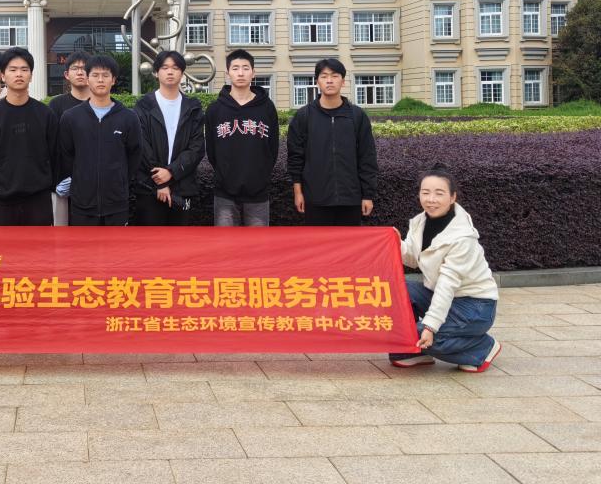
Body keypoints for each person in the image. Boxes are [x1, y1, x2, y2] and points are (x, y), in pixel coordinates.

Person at [389, 166, 502, 372]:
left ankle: (481, 348)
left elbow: (447, 285)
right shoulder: (420, 221)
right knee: (394, 290)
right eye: (425, 192)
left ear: (452, 197)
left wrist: (430, 327)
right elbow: (414, 259)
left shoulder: (462, 238)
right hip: (440, 295)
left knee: (413, 335)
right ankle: (415, 351)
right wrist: (397, 244)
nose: (431, 199)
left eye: (439, 193)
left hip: (475, 306)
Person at [287, 58, 377, 226]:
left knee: (350, 242)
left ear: (343, 81)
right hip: (315, 198)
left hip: (350, 199)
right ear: (317, 81)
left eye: (335, 76)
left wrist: (367, 195)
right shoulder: (304, 116)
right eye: (324, 76)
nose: (329, 80)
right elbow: (295, 158)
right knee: (318, 242)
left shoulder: (357, 116)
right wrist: (298, 192)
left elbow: (367, 157)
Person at [0, 47, 58, 225]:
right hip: (0, 202)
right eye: (13, 70)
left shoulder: (46, 115)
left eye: (24, 69)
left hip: (38, 201)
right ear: (3, 76)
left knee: (39, 244)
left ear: (31, 75)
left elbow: (55, 156)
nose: (19, 74)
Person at [58, 54, 141, 226]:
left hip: (117, 204)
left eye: (105, 75)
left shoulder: (128, 117)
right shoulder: (71, 117)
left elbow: (134, 156)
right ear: (87, 79)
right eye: (95, 75)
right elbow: (66, 156)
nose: (100, 80)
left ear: (113, 80)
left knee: (117, 244)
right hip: (82, 204)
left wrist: (119, 181)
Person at [205, 49, 280, 226]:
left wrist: (260, 177)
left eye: (246, 68)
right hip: (224, 193)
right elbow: (212, 151)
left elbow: (272, 148)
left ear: (253, 73)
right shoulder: (215, 109)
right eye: (235, 68)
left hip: (258, 193)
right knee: (225, 242)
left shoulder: (267, 107)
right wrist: (224, 176)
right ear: (227, 73)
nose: (240, 73)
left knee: (258, 243)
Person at [132, 51, 204, 226]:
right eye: (164, 68)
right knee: (151, 240)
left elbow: (196, 148)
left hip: (182, 188)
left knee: (181, 240)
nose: (170, 72)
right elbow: (141, 146)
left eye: (175, 68)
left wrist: (171, 172)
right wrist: (159, 181)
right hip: (149, 188)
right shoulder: (143, 106)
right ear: (156, 72)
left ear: (182, 73)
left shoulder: (193, 108)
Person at [48, 51, 91, 226]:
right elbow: (51, 145)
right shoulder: (56, 105)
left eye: (84, 68)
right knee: (62, 233)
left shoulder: (101, 103)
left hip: (93, 182)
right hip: (62, 184)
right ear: (66, 74)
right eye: (75, 68)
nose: (80, 72)